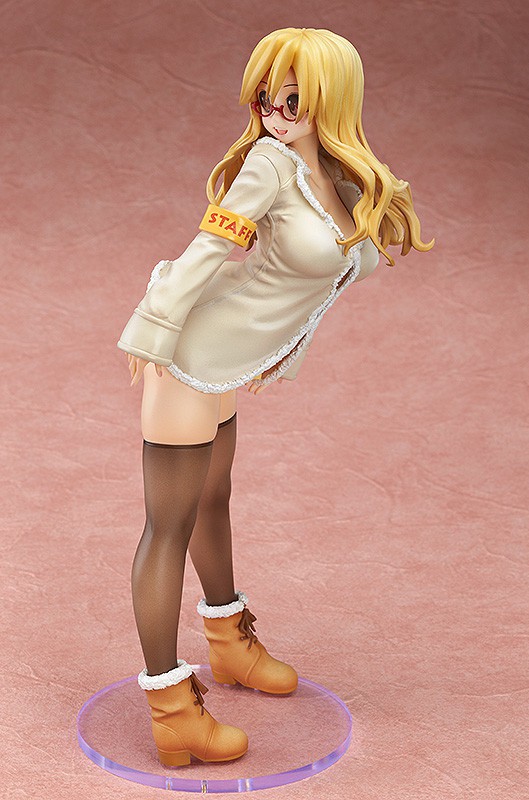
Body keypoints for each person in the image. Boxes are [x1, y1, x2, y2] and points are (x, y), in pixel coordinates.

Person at [116, 26, 434, 768]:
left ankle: (228, 645)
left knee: (214, 499)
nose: (273, 111)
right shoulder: (268, 165)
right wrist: (152, 328)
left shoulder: (336, 180)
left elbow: (332, 272)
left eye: (293, 99)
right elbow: (210, 246)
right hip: (189, 356)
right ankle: (172, 711)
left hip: (230, 361)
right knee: (168, 525)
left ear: (332, 102)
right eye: (265, 96)